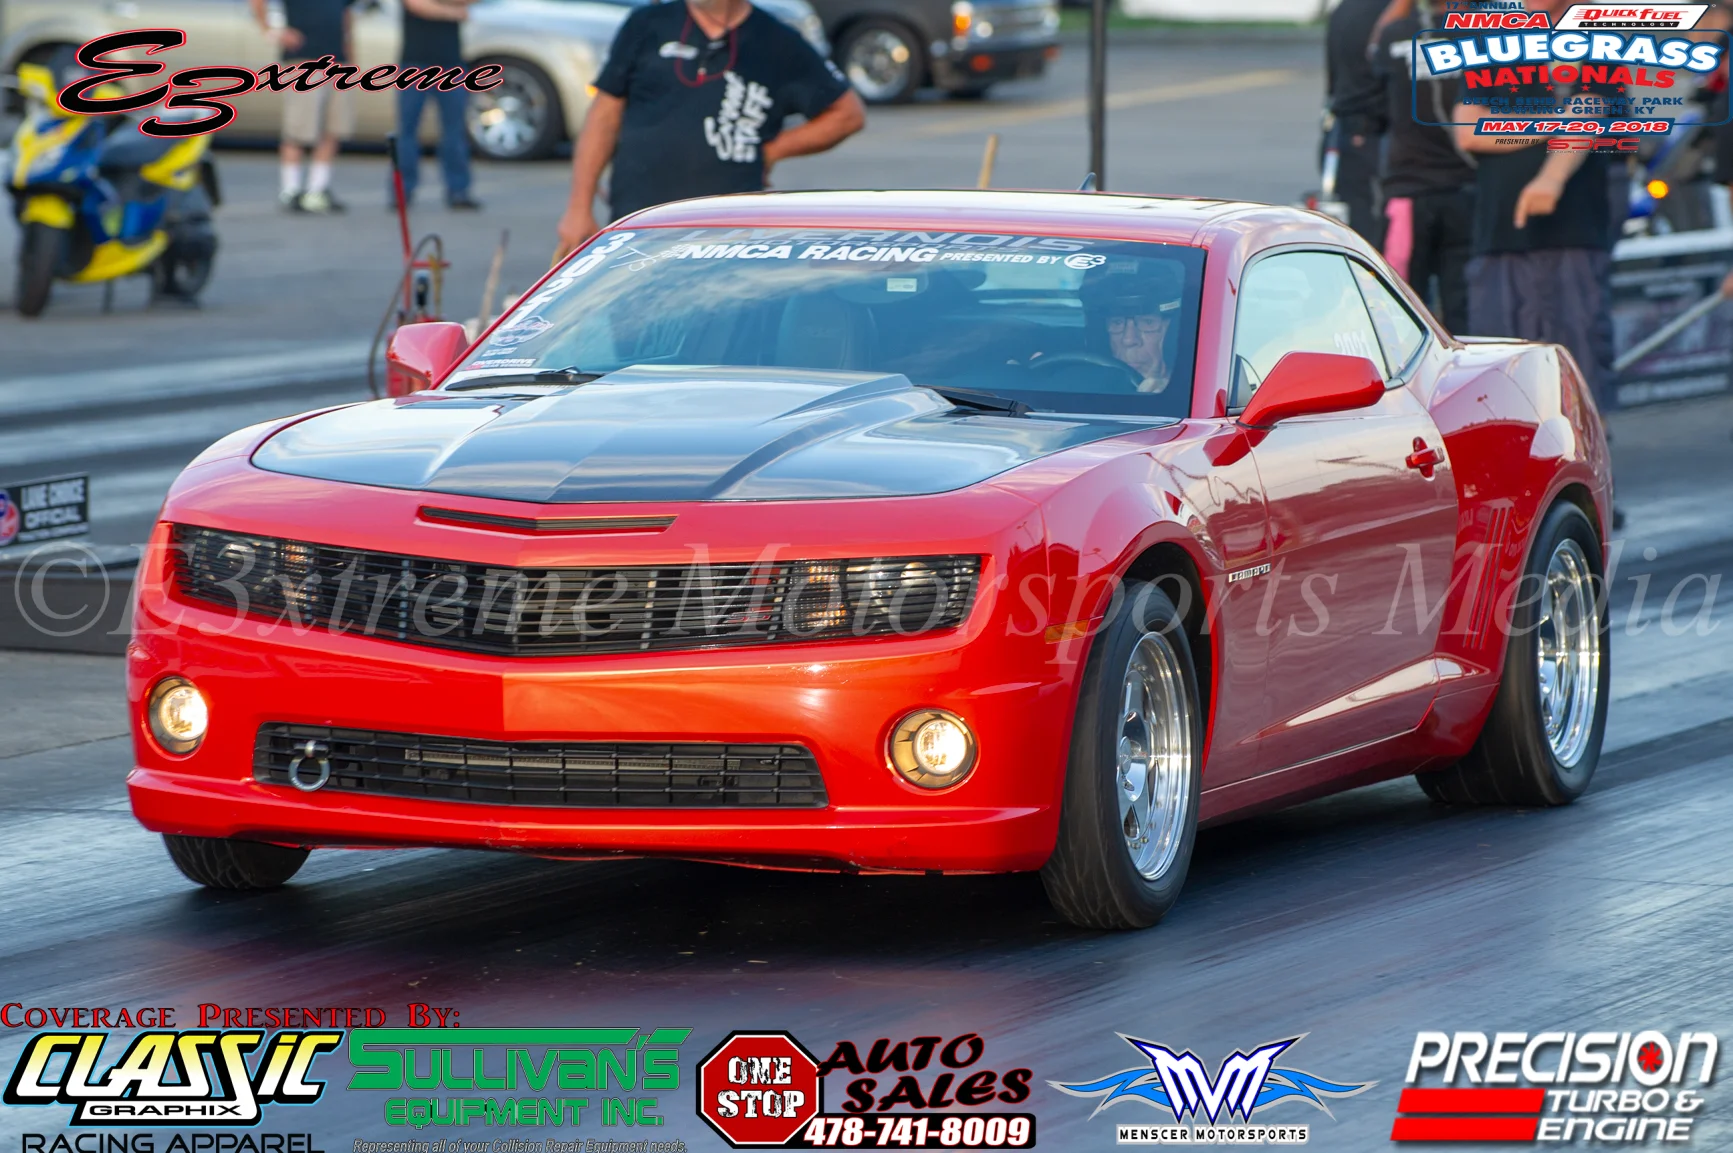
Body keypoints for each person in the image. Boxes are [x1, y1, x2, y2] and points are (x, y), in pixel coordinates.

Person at [553, 0, 866, 259]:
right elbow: (603, 116)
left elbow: (847, 114)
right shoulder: (647, 24)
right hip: (640, 226)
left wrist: (772, 151)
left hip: (730, 234)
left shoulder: (778, 42)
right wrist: (579, 208)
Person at [1454, 0, 1617, 410]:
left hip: (1569, 235)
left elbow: (1589, 114)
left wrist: (1551, 177)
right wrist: (1554, 120)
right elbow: (1468, 129)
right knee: (1500, 381)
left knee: (1577, 380)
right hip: (1498, 235)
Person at [1371, 0, 1475, 333]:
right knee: (1468, 312)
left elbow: (1372, 57)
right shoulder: (1489, 37)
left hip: (1409, 189)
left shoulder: (1396, 33)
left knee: (1399, 311)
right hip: (1470, 190)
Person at [251, 0, 355, 213]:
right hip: (304, 57)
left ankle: (317, 190)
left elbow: (346, 13)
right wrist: (270, 30)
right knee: (298, 128)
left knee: (332, 128)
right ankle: (290, 190)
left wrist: (350, 54)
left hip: (337, 59)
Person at [392, 0, 481, 210]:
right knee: (407, 131)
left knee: (454, 131)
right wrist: (453, 12)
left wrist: (440, 7)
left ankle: (458, 190)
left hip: (451, 62)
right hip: (415, 63)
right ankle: (402, 191)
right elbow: (417, 5)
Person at [1325, 0, 1392, 246]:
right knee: (1375, 231)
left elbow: (1333, 81)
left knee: (1352, 228)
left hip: (1344, 129)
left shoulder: (1343, 9)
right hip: (1375, 131)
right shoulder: (1392, 13)